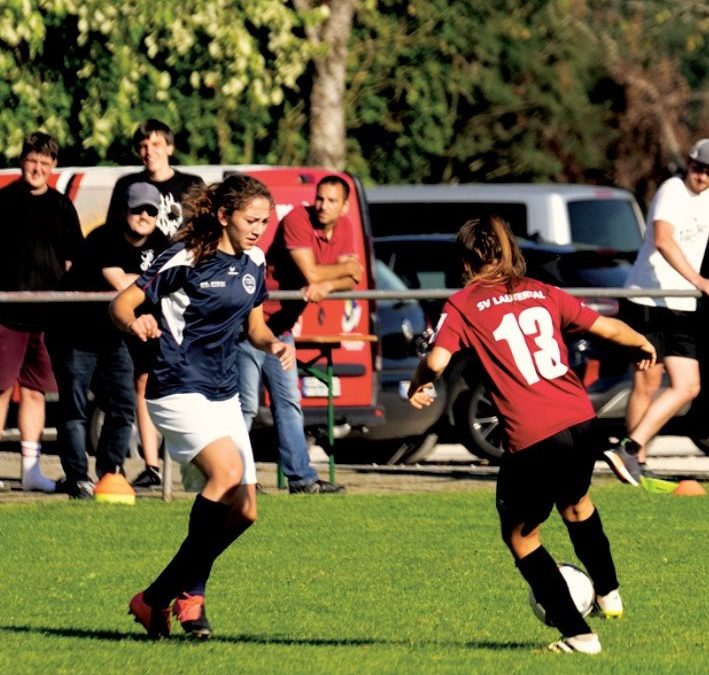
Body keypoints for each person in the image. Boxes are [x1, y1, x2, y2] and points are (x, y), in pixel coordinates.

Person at [407, 216, 656, 655]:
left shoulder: (463, 304)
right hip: (581, 421)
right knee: (577, 506)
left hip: (534, 435)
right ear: (508, 252)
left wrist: (417, 382)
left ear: (466, 259)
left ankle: (579, 636)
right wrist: (642, 343)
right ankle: (609, 595)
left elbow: (440, 359)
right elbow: (607, 328)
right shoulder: (543, 291)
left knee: (521, 537)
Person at [110, 174, 295, 639]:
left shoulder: (254, 261)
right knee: (226, 474)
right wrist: (137, 324)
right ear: (223, 215)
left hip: (222, 393)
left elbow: (254, 326)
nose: (259, 229)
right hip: (175, 388)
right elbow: (120, 304)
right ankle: (187, 595)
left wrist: (273, 344)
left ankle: (157, 597)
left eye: (265, 221)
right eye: (251, 220)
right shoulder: (185, 257)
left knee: (247, 510)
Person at [235, 175, 362, 494]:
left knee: (289, 401)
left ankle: (301, 479)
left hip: (281, 328)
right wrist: (336, 273)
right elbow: (315, 273)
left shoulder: (345, 228)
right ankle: (238, 479)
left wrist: (328, 285)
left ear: (344, 207)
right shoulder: (297, 219)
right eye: (319, 198)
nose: (321, 205)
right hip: (250, 324)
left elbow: (352, 278)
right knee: (246, 406)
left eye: (331, 200)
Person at [52, 183, 169, 499]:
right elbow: (122, 285)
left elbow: (171, 283)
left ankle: (109, 473)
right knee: (74, 409)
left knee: (123, 406)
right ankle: (77, 477)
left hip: (114, 336)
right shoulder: (103, 238)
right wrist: (155, 281)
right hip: (76, 331)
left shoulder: (160, 243)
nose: (144, 216)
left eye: (151, 211)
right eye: (138, 209)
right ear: (125, 211)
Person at [106, 118, 204, 489]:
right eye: (144, 145)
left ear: (170, 147)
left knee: (190, 377)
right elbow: (114, 237)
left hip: (184, 292)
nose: (150, 151)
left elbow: (204, 234)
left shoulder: (190, 186)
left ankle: (197, 459)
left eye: (157, 144)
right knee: (144, 378)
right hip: (142, 291)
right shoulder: (127, 186)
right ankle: (151, 465)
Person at [606, 138, 709, 485]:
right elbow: (663, 240)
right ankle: (636, 461)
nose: (702, 177)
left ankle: (629, 449)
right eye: (698, 168)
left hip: (681, 304)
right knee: (647, 381)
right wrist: (698, 279)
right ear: (689, 165)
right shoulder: (671, 191)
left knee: (688, 385)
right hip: (648, 298)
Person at [0, 131, 83, 492]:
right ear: (22, 162)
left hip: (49, 316)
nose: (37, 168)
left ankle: (31, 470)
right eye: (32, 161)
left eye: (44, 163)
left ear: (53, 167)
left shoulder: (63, 206)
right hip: (6, 313)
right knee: (0, 389)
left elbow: (72, 258)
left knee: (35, 391)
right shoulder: (3, 202)